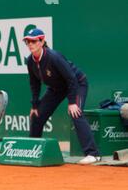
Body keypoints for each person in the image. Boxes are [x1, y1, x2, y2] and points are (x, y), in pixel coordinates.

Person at [24, 28, 101, 165]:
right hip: (57, 88)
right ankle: (32, 151)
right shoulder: (30, 61)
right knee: (37, 115)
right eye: (27, 41)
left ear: (42, 42)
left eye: (33, 41)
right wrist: (35, 105)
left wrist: (72, 102)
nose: (30, 44)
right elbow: (34, 83)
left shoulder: (54, 57)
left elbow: (71, 78)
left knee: (76, 113)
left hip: (77, 83)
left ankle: (93, 154)